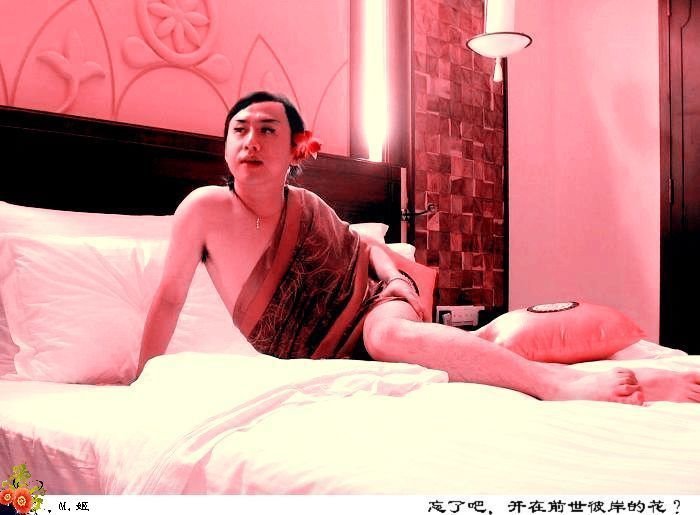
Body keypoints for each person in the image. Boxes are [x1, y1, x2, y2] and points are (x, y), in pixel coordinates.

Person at [137, 90, 700, 404]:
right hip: (326, 354)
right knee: (457, 364)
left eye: (268, 131)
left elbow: (362, 246)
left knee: (388, 336)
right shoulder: (204, 208)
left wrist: (398, 279)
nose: (251, 141)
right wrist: (142, 380)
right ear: (225, 145)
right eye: (239, 129)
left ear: (294, 151)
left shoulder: (305, 206)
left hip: (377, 311)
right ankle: (648, 383)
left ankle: (555, 386)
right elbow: (168, 299)